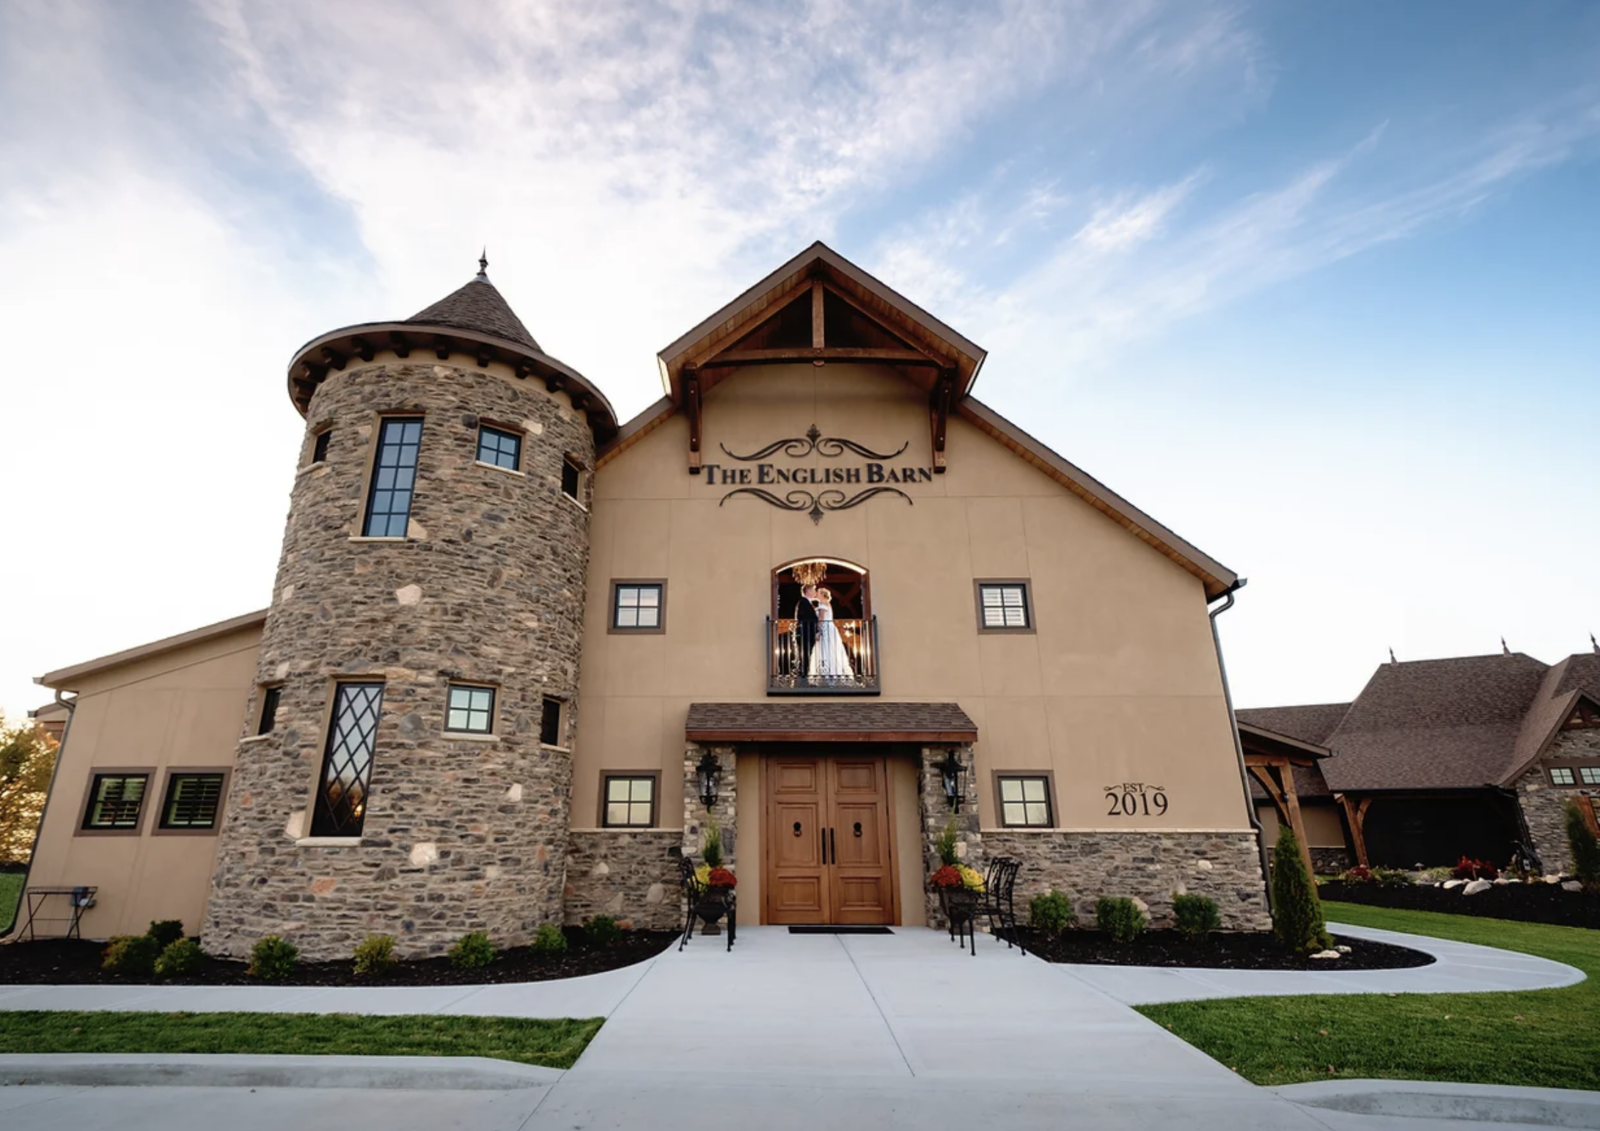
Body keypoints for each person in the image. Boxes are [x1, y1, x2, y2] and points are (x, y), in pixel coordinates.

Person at [808, 587, 855, 680]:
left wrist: (818, 631)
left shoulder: (822, 603)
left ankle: (827, 674)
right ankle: (832, 672)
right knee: (830, 650)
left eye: (818, 592)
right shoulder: (826, 603)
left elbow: (821, 619)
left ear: (822, 594)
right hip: (830, 628)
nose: (816, 594)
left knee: (825, 649)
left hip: (825, 629)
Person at [794, 583, 819, 677]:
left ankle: (804, 674)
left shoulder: (806, 602)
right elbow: (807, 619)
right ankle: (803, 676)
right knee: (805, 654)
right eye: (813, 590)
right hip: (806, 634)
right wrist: (816, 630)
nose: (815, 592)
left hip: (806, 633)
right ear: (808, 591)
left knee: (806, 654)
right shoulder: (803, 602)